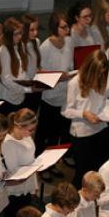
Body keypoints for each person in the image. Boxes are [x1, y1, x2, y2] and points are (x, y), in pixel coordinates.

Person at [62, 49, 109, 188]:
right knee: (83, 173)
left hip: (99, 129)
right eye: (98, 72)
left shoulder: (102, 78)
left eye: (102, 72)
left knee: (99, 168)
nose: (100, 75)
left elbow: (103, 102)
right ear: (90, 69)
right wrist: (84, 114)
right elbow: (66, 111)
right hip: (82, 134)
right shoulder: (74, 83)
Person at [0, 108, 38, 217]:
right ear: (20, 126)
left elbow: (31, 158)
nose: (31, 133)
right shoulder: (8, 143)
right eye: (30, 130)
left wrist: (34, 184)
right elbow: (13, 170)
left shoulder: (26, 136)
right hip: (15, 191)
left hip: (27, 185)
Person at [36, 11, 74, 156]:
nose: (68, 30)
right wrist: (59, 77)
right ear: (54, 28)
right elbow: (41, 72)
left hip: (65, 95)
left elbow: (70, 64)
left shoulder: (69, 41)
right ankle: (41, 163)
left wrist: (70, 73)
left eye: (68, 27)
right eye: (64, 27)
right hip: (50, 97)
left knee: (58, 133)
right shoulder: (46, 47)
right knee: (44, 133)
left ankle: (52, 162)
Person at [0, 17, 31, 114]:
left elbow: (23, 70)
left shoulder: (21, 45)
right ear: (8, 35)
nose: (19, 36)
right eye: (16, 34)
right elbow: (6, 80)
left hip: (20, 95)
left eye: (21, 33)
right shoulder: (3, 50)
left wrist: (29, 83)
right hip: (7, 98)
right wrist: (25, 89)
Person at [21, 14, 42, 114]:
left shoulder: (36, 42)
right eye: (32, 30)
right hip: (25, 89)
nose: (35, 33)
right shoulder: (19, 46)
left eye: (36, 29)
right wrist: (30, 87)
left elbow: (37, 66)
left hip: (36, 86)